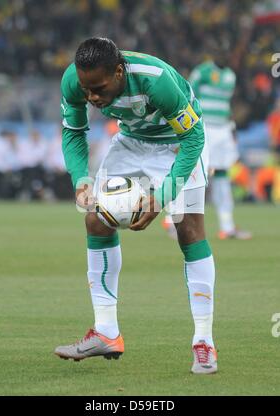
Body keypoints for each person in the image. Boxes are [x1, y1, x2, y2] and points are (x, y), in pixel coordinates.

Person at [54, 37, 217, 374]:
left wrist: (161, 196)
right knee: (96, 221)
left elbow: (194, 138)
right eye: (87, 90)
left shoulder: (155, 80)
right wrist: (81, 181)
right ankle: (106, 332)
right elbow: (73, 131)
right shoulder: (75, 79)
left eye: (98, 88)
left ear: (118, 71)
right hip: (131, 142)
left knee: (188, 228)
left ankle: (204, 342)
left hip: (177, 145)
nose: (92, 97)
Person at [188, 47, 252, 240]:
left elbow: (227, 104)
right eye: (221, 52)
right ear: (214, 54)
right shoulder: (202, 71)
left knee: (222, 175)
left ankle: (227, 226)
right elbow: (189, 97)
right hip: (204, 127)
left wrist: (231, 126)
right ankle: (176, 222)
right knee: (196, 173)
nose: (225, 56)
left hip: (223, 130)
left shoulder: (230, 76)